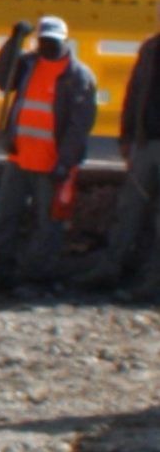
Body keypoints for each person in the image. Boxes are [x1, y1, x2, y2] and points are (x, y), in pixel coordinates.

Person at [0, 14, 99, 287]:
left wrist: (65, 163)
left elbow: (79, 125)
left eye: (53, 42)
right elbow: (0, 78)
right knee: (5, 217)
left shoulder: (77, 76)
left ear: (64, 41)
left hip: (52, 164)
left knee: (48, 225)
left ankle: (36, 275)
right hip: (19, 157)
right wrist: (13, 42)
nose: (48, 46)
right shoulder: (26, 65)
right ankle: (0, 270)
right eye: (44, 40)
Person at [85, 19, 160, 292]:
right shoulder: (150, 48)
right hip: (145, 142)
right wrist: (127, 137)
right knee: (128, 208)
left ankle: (153, 281)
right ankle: (109, 268)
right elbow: (134, 93)